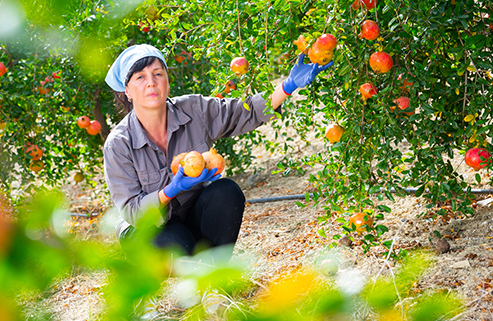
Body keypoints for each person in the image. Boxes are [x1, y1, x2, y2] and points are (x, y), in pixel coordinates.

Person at [103, 44, 332, 260]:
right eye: (140, 77)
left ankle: (213, 284)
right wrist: (171, 190)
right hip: (150, 228)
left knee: (226, 191)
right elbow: (133, 211)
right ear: (127, 91)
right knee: (178, 242)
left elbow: (245, 112)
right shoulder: (119, 144)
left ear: (167, 80)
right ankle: (186, 281)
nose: (151, 83)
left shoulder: (194, 110)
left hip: (193, 214)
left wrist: (288, 86)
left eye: (157, 74)